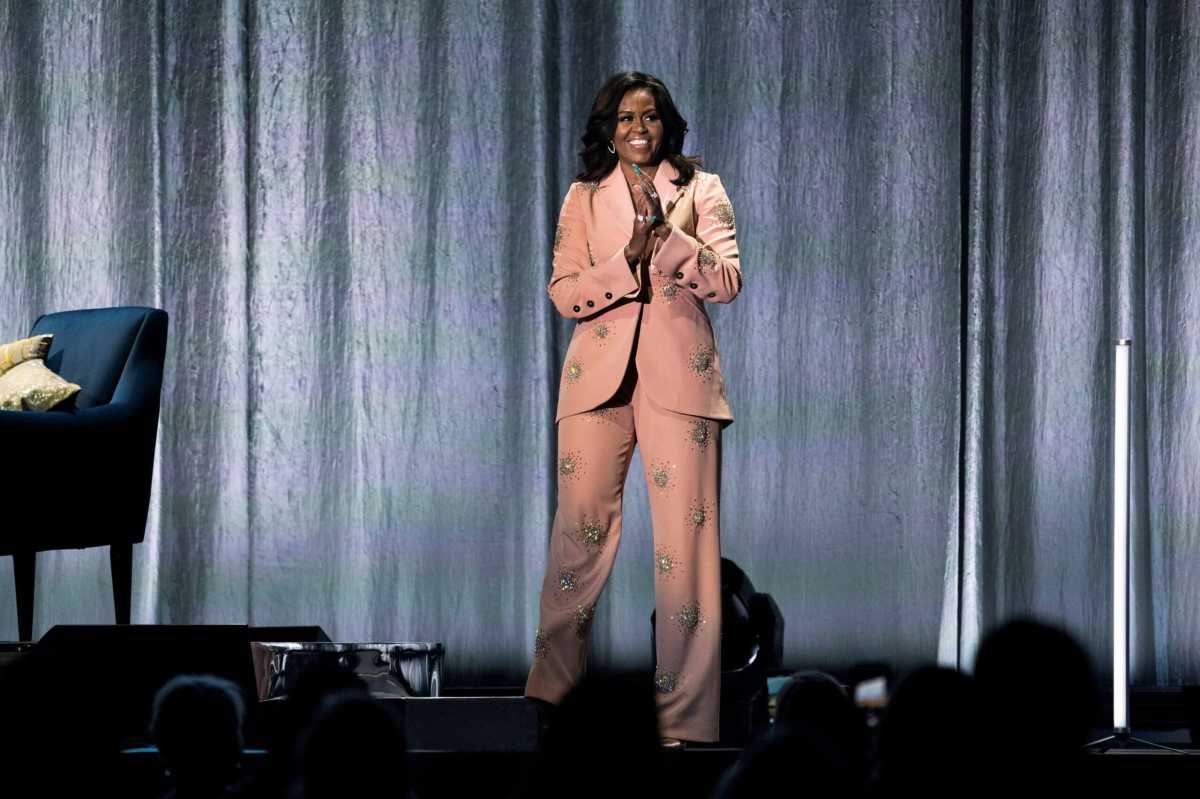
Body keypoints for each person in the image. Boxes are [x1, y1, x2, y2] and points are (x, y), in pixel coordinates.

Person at [524, 70, 743, 746]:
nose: (638, 128)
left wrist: (672, 245)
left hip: (680, 383)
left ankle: (685, 724)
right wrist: (625, 263)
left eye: (649, 117)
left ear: (666, 124)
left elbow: (729, 278)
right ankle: (552, 704)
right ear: (608, 129)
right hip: (597, 386)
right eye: (624, 118)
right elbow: (564, 293)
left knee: (687, 554)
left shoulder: (701, 190)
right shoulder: (584, 198)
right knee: (577, 540)